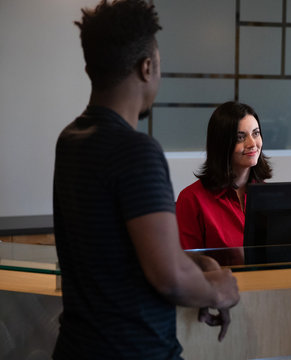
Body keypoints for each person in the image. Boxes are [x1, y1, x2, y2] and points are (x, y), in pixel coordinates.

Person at [53, 1, 239, 359]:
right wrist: (219, 291)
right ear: (147, 67)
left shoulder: (70, 140)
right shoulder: (136, 151)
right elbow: (168, 277)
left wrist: (200, 269)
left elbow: (117, 251)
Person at [176, 101, 272, 250]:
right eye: (241, 137)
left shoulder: (270, 195)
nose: (252, 143)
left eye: (256, 133)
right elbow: (189, 265)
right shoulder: (191, 200)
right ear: (221, 144)